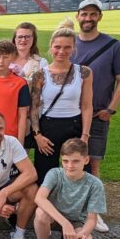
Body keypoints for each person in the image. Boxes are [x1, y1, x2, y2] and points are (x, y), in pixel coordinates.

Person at [73, 0, 120, 234]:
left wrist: (111, 108)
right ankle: (72, 208)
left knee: (92, 165)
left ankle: (93, 214)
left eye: (92, 14)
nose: (88, 18)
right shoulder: (69, 44)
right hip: (68, 114)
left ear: (99, 17)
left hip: (96, 114)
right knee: (67, 163)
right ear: (78, 16)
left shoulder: (113, 46)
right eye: (84, 14)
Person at [31, 138, 107, 239]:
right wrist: (65, 224)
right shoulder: (55, 173)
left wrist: (84, 234)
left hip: (77, 220)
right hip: (54, 217)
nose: (70, 165)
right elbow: (39, 198)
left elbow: (92, 218)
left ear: (86, 160)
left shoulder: (95, 184)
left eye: (75, 161)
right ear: (61, 160)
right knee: (40, 213)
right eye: (66, 161)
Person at [30, 28, 93, 184]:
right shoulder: (40, 74)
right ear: (51, 47)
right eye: (57, 47)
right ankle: (45, 206)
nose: (61, 51)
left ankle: (77, 205)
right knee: (45, 173)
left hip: (74, 126)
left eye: (67, 47)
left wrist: (85, 136)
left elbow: (86, 106)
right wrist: (37, 135)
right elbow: (34, 107)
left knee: (77, 171)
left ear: (73, 48)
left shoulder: (84, 72)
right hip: (48, 127)